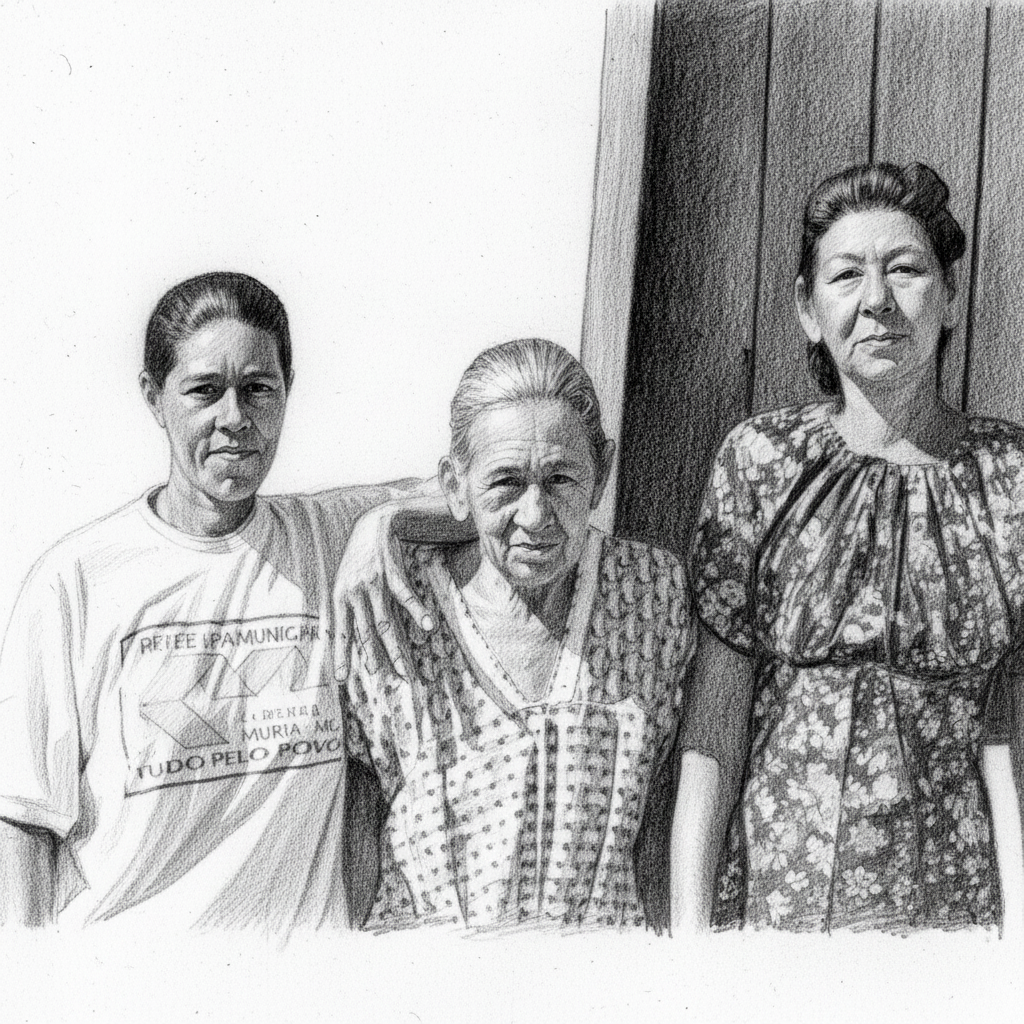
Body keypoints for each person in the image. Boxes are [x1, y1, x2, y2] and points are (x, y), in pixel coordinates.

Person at [0, 271, 435, 932]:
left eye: (258, 388)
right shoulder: (75, 580)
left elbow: (479, 491)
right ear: (154, 397)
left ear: (288, 390)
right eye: (205, 390)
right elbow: (22, 821)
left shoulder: (326, 537)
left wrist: (386, 523)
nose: (235, 418)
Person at [672, 162, 1024, 933]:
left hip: (951, 917)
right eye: (846, 275)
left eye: (905, 270)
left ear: (951, 296)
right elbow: (714, 731)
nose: (877, 301)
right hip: (772, 910)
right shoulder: (759, 461)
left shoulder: (1012, 476)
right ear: (808, 308)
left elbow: (1017, 741)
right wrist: (689, 947)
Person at [341, 339, 695, 931]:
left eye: (560, 479)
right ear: (455, 484)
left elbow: (664, 813)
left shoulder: (651, 592)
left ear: (601, 473)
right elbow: (356, 829)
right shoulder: (393, 605)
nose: (535, 515)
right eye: (506, 482)